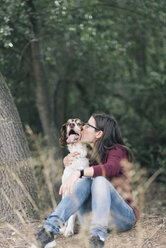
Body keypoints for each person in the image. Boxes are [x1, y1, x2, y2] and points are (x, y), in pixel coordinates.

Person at [36, 113, 139, 248]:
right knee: (85, 181)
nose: (82, 128)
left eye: (87, 125)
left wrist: (79, 173)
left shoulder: (118, 150)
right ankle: (48, 231)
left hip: (122, 218)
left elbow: (110, 168)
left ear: (98, 134)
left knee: (99, 180)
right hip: (90, 219)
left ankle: (97, 239)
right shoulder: (90, 158)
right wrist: (67, 162)